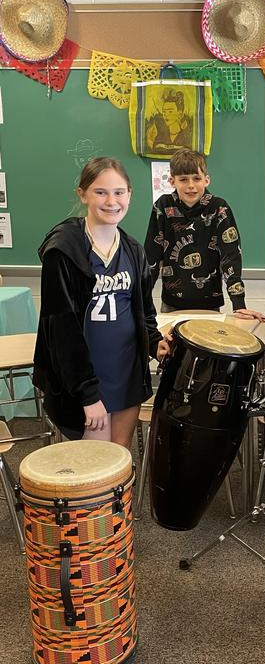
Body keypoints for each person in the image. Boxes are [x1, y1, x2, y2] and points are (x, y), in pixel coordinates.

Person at [33, 157, 171, 447]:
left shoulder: (133, 250)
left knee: (121, 458)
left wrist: (155, 341)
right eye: (100, 192)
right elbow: (61, 331)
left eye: (119, 192)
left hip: (127, 374)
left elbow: (144, 312)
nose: (111, 201)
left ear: (129, 195)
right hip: (87, 380)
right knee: (95, 465)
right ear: (83, 194)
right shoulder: (64, 251)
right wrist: (88, 395)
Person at [144, 148, 265, 321]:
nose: (191, 185)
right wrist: (140, 303)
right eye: (183, 179)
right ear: (172, 181)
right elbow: (151, 256)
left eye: (197, 178)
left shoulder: (219, 208)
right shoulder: (163, 206)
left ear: (206, 180)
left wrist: (239, 305)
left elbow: (231, 256)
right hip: (172, 304)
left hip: (210, 304)